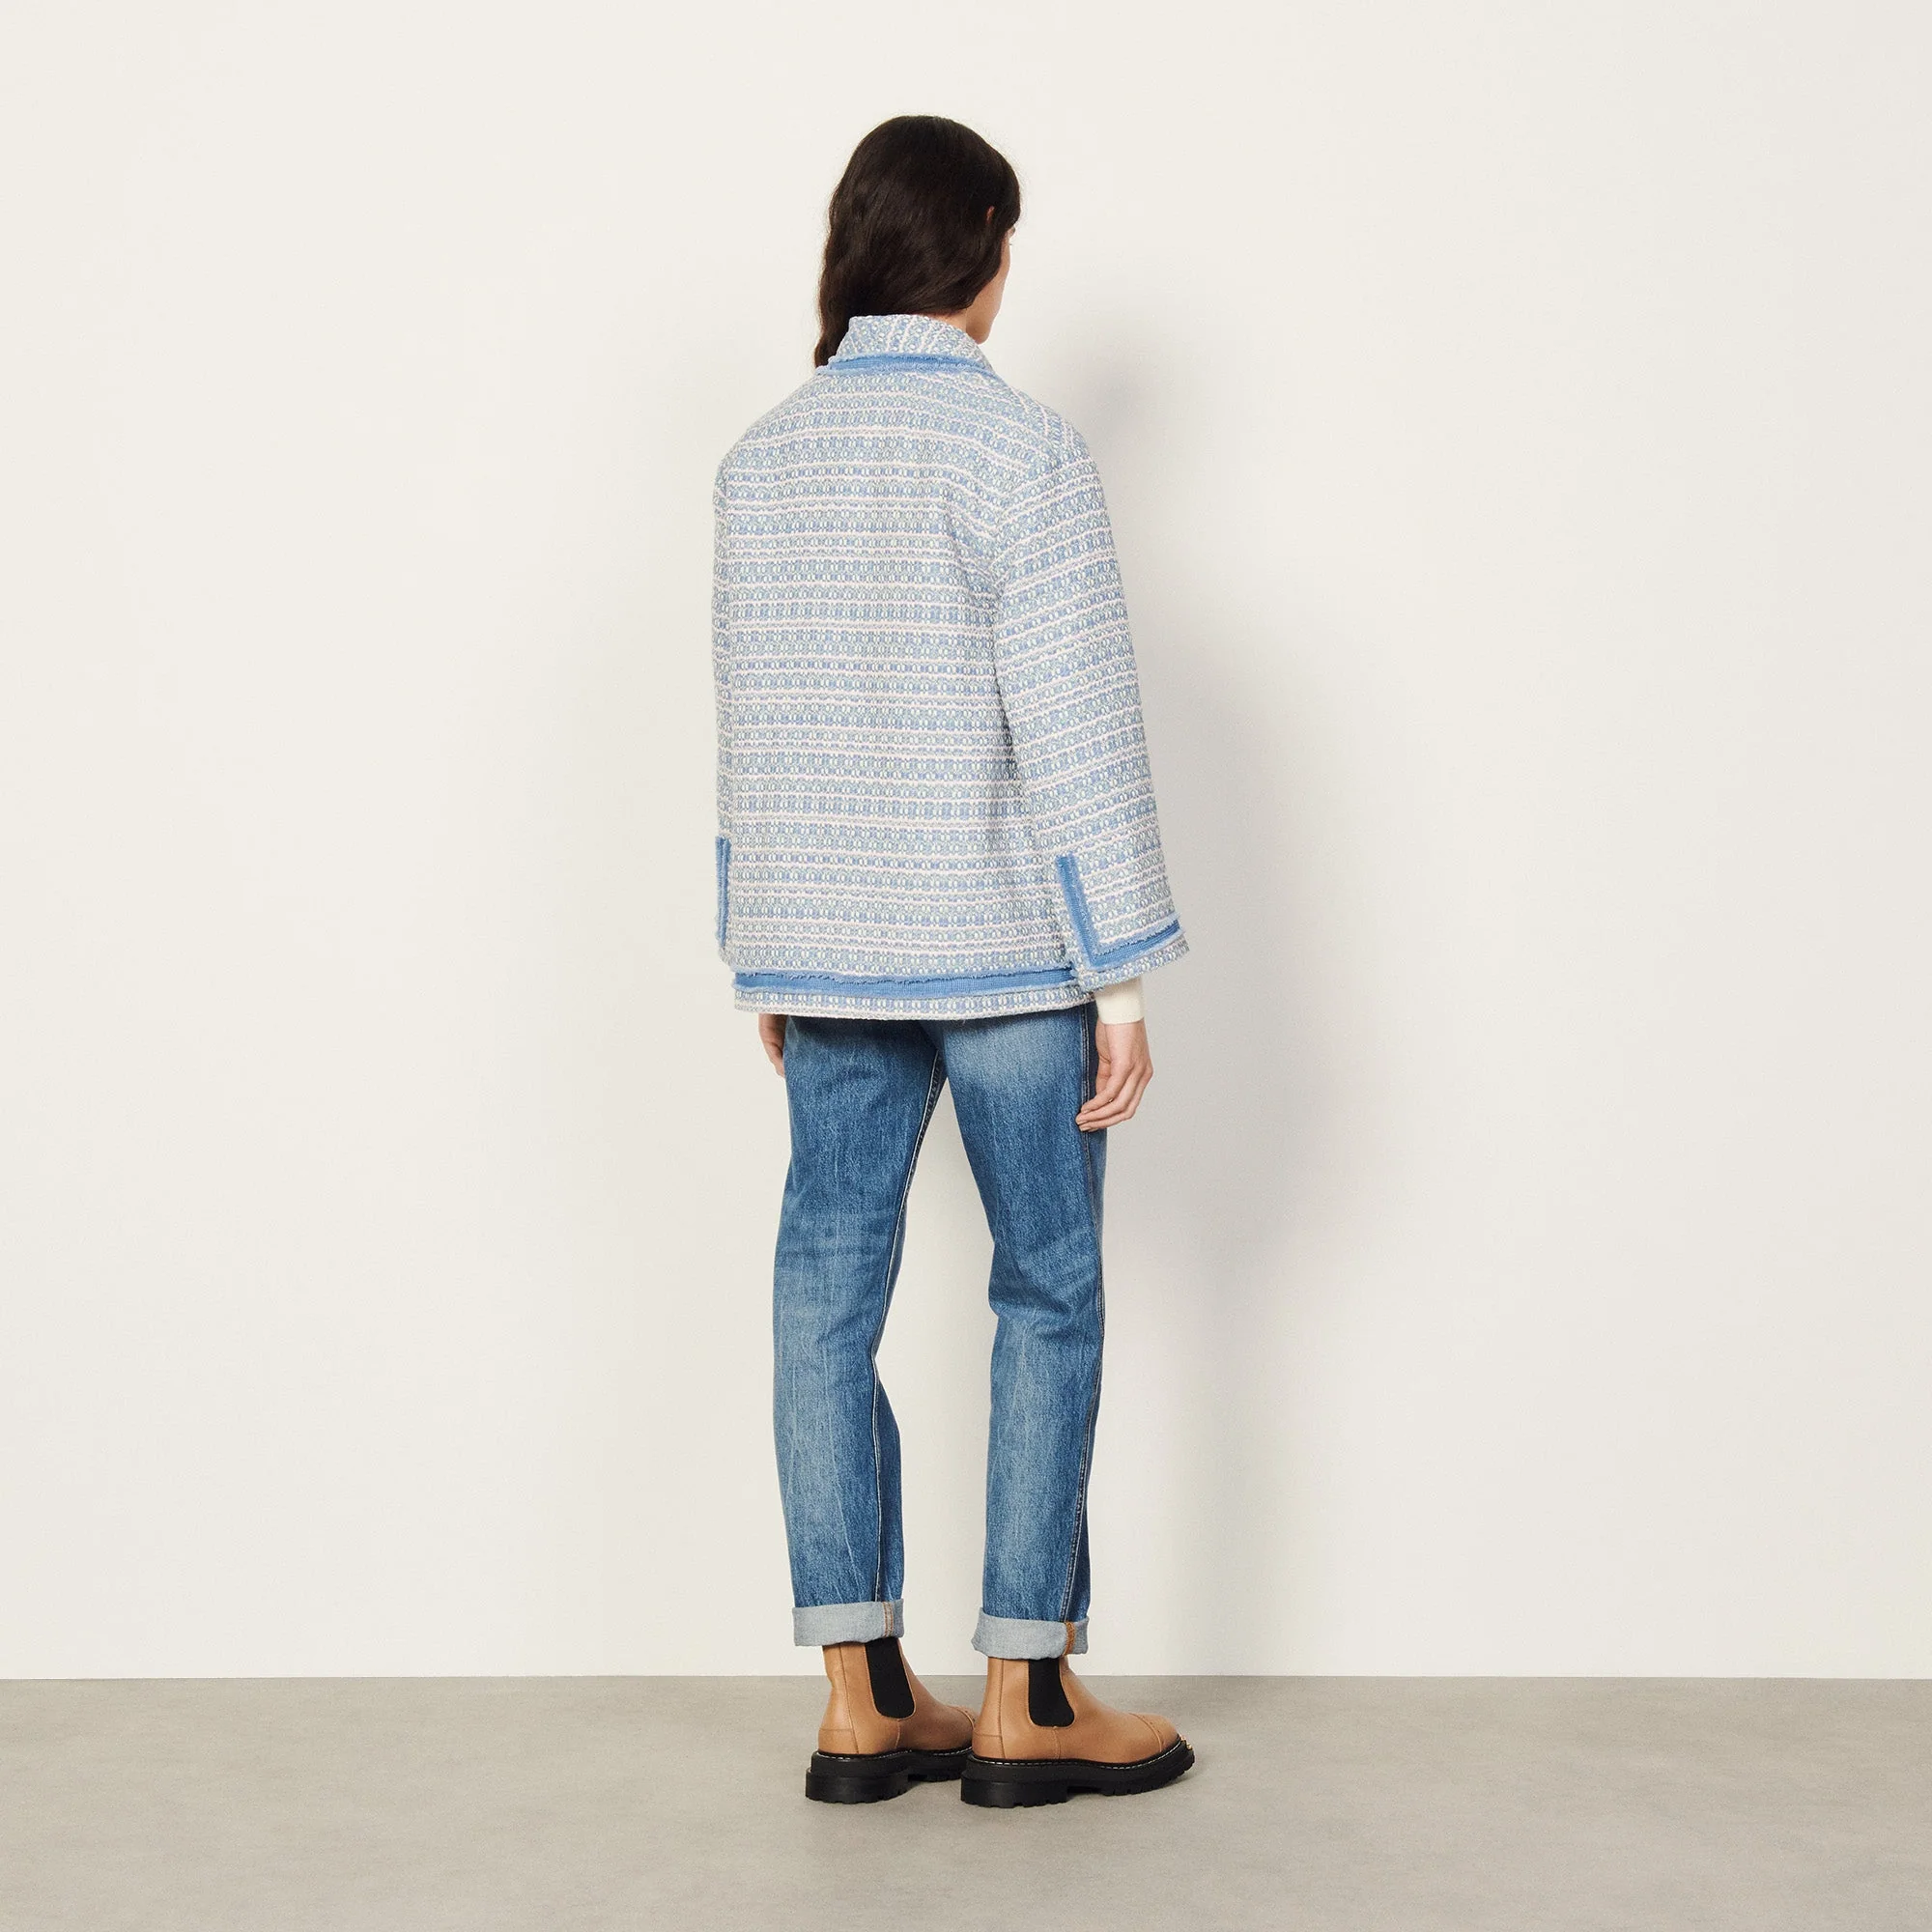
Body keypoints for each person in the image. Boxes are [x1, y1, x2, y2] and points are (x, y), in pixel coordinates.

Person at [711, 115, 1194, 1808]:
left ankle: (860, 1701)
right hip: (1006, 962)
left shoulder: (762, 459)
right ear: (979, 244)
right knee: (1045, 1291)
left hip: (831, 961)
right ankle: (1024, 1697)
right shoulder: (1023, 451)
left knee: (822, 1298)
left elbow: (760, 726)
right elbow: (1080, 727)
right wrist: (1118, 978)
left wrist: (769, 952)